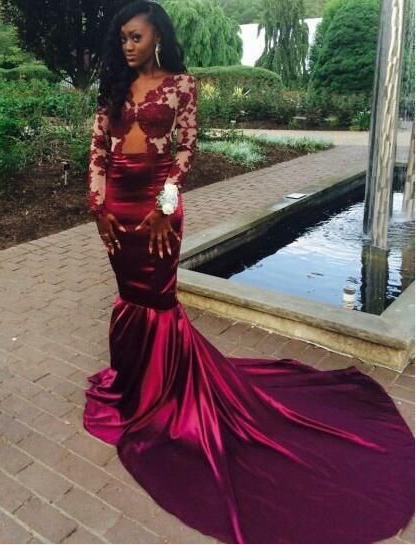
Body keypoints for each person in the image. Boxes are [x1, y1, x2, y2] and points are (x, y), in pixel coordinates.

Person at [82, 1, 415, 543]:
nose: (128, 46)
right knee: (130, 298)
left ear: (158, 36)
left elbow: (186, 149)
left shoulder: (181, 85)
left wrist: (166, 203)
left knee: (158, 300)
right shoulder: (115, 85)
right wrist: (98, 207)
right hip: (117, 205)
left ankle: (165, 396)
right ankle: (135, 385)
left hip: (159, 209)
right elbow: (98, 148)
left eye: (136, 37)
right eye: (122, 38)